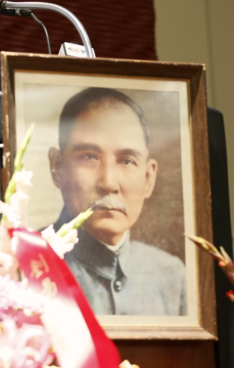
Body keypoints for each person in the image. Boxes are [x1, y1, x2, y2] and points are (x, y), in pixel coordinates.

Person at [47, 87, 187, 316]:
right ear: (58, 168)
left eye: (127, 161)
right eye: (89, 157)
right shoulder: (25, 262)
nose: (109, 183)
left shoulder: (172, 276)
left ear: (148, 178)